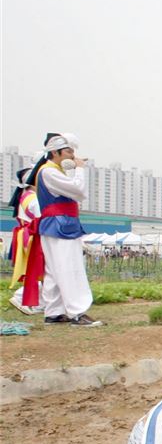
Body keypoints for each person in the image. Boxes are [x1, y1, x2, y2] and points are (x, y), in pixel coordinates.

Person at [26, 132, 102, 326]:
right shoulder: (49, 172)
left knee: (54, 270)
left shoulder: (51, 171)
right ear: (55, 152)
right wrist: (80, 169)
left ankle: (54, 312)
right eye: (68, 151)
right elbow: (79, 191)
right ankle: (77, 312)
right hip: (61, 225)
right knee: (70, 267)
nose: (72, 155)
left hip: (56, 225)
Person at [7, 168, 43, 314]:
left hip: (29, 235)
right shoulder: (32, 198)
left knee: (40, 270)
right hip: (33, 236)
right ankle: (21, 296)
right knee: (40, 270)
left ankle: (38, 303)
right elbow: (41, 216)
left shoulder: (26, 195)